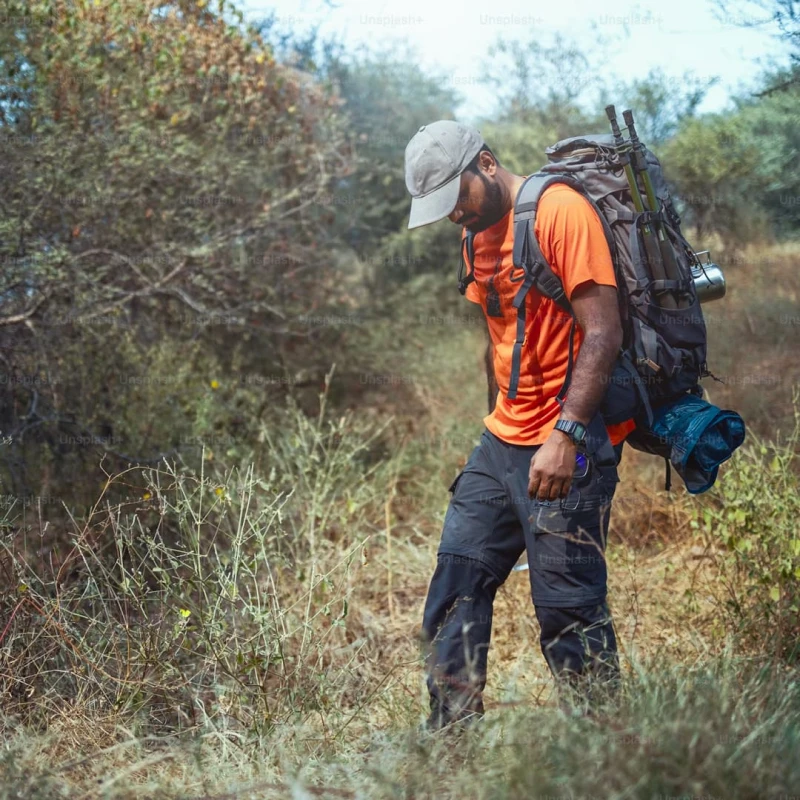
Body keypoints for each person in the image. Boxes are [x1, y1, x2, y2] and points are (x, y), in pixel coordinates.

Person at [404, 120, 636, 731]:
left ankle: (607, 754)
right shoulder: (474, 234)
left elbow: (604, 331)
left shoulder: (558, 211)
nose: (454, 215)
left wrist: (567, 435)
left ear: (485, 163)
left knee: (568, 613)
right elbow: (499, 337)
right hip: (502, 442)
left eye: (457, 198)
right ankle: (450, 746)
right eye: (442, 209)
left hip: (567, 443)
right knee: (454, 589)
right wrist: (494, 428)